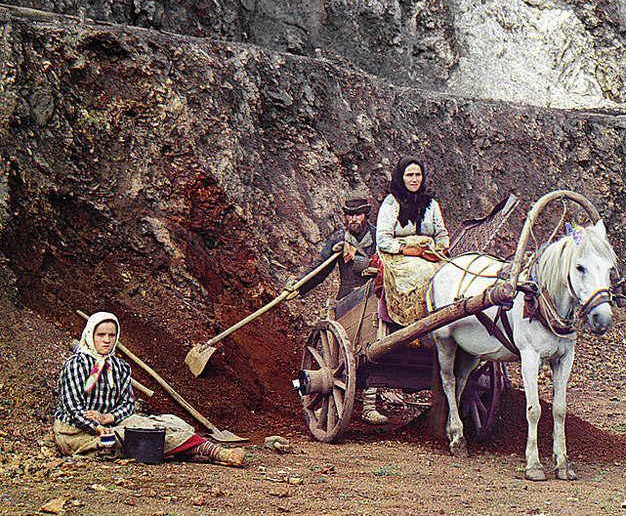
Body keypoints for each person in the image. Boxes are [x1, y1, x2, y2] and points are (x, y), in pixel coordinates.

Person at [53, 312, 245, 466]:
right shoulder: (76, 365)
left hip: (108, 423)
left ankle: (184, 445)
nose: (106, 340)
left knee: (169, 421)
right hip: (77, 432)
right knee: (138, 436)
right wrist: (97, 426)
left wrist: (106, 418)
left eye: (111, 335)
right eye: (100, 335)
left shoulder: (119, 367)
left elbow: (127, 405)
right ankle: (208, 450)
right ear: (90, 335)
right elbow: (71, 408)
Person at [284, 197, 388, 425]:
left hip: (374, 297)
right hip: (346, 303)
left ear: (366, 216)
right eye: (350, 215)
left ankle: (369, 407)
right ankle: (324, 403)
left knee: (373, 351)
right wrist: (299, 287)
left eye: (358, 215)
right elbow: (320, 268)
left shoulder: (380, 237)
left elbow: (383, 265)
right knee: (335, 355)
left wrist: (357, 259)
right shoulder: (339, 238)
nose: (354, 219)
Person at [376, 157, 450, 326]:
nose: (414, 179)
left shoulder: (431, 205)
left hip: (430, 254)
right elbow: (383, 240)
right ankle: (415, 325)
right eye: (409, 175)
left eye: (418, 174)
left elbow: (441, 233)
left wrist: (440, 248)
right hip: (398, 257)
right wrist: (406, 249)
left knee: (450, 273)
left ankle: (447, 322)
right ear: (401, 177)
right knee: (422, 273)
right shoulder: (391, 203)